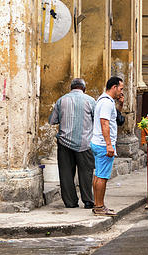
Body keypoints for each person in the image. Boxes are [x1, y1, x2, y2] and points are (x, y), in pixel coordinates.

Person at [48, 78, 96, 209]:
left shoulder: (61, 100)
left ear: (71, 88)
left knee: (66, 173)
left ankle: (70, 202)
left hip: (64, 142)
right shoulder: (91, 101)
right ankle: (88, 200)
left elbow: (52, 120)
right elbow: (97, 122)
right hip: (84, 142)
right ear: (84, 89)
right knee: (86, 172)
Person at [90, 76, 124, 217]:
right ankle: (99, 206)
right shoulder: (106, 103)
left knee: (98, 175)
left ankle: (98, 205)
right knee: (102, 176)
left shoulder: (105, 101)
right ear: (114, 87)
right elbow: (105, 123)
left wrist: (120, 104)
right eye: (121, 89)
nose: (121, 92)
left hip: (99, 142)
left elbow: (113, 118)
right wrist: (109, 145)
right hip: (103, 144)